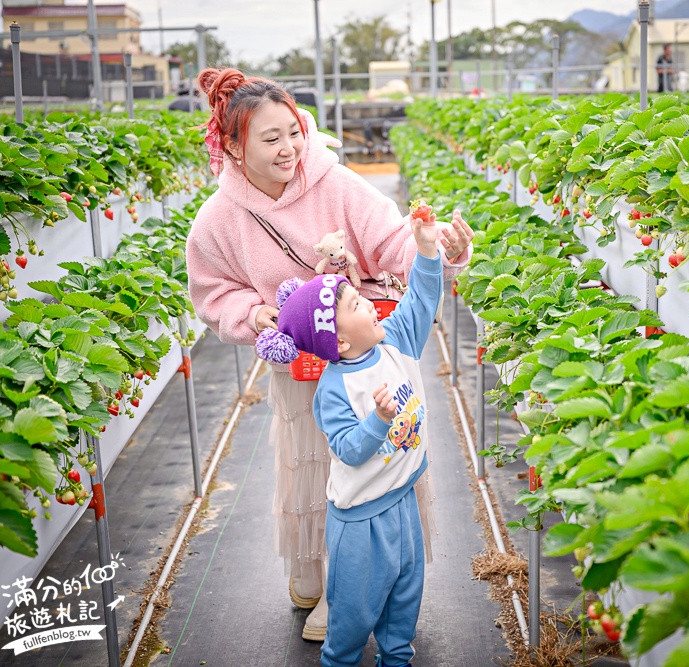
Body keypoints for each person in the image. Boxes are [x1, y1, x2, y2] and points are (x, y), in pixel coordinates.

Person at [185, 67, 474, 642]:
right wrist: (254, 313)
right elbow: (213, 291)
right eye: (270, 140)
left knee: (371, 461)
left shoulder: (336, 184)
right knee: (309, 461)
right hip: (300, 363)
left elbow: (390, 241)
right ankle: (312, 575)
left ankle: (356, 586)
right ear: (234, 149)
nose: (289, 148)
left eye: (293, 132)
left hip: (363, 347)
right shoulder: (219, 219)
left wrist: (436, 249)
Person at [255, 210, 443, 667]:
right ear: (337, 342)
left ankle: (397, 658)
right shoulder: (335, 390)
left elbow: (420, 299)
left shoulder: (393, 340)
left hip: (401, 500)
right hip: (361, 521)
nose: (370, 304)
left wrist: (427, 248)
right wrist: (379, 420)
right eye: (357, 306)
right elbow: (350, 450)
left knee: (404, 601)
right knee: (353, 616)